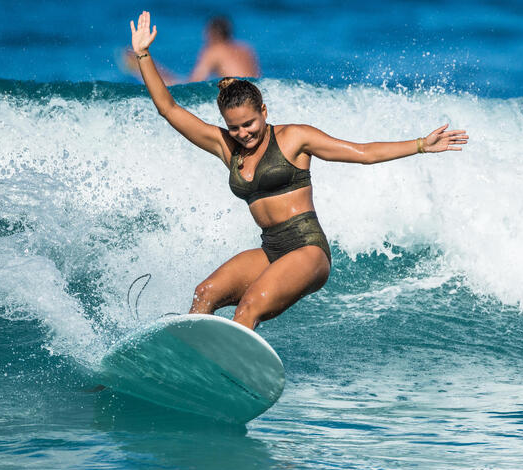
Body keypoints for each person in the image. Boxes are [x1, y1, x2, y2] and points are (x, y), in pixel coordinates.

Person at [130, 11, 468, 330]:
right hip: (271, 249)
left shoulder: (294, 138)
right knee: (205, 293)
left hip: (307, 250)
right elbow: (169, 109)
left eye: (249, 123)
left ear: (263, 110)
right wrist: (144, 55)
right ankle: (186, 362)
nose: (243, 133)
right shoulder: (226, 147)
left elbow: (362, 153)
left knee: (249, 307)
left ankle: (227, 379)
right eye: (234, 128)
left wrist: (422, 144)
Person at [122, 15, 259, 85]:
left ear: (211, 33)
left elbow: (194, 85)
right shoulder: (246, 48)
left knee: (174, 86)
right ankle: (147, 66)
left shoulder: (214, 50)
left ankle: (142, 66)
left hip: (236, 99)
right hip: (254, 95)